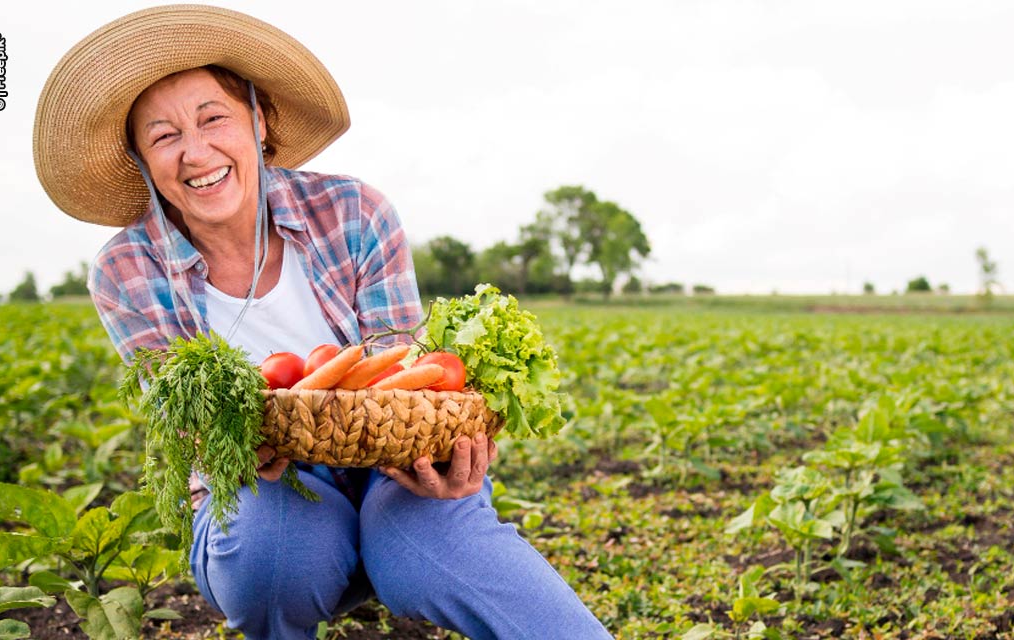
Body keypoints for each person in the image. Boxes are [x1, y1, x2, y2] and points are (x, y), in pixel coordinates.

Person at [33, 5, 611, 640]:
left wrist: (449, 464)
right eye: (164, 135)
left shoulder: (353, 212)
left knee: (435, 552)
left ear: (258, 120)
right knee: (272, 557)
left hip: (392, 465)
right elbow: (186, 422)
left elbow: (413, 384)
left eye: (213, 118)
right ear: (141, 157)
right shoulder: (126, 271)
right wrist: (234, 450)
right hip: (264, 489)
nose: (196, 153)